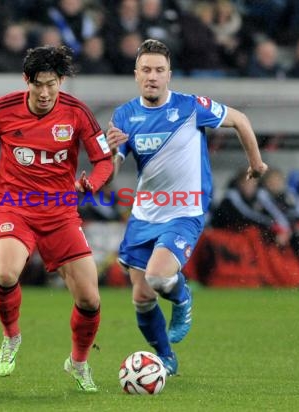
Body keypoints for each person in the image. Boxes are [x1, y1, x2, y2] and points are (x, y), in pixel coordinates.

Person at [0, 45, 113, 392]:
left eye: (52, 84)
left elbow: (104, 161)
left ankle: (78, 362)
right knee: (6, 272)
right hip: (15, 206)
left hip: (60, 212)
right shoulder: (3, 108)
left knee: (90, 299)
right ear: (26, 80)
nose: (45, 93)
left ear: (61, 82)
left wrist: (92, 184)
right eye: (38, 84)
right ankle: (11, 337)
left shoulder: (77, 113)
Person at [106, 39, 268, 375]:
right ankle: (166, 358)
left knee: (158, 275)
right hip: (144, 213)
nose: (152, 76)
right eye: (146, 70)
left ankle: (182, 298)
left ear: (169, 75)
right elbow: (112, 173)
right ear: (136, 75)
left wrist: (256, 163)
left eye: (159, 70)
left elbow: (240, 119)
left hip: (185, 210)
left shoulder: (191, 106)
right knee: (141, 296)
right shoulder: (124, 115)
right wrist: (106, 159)